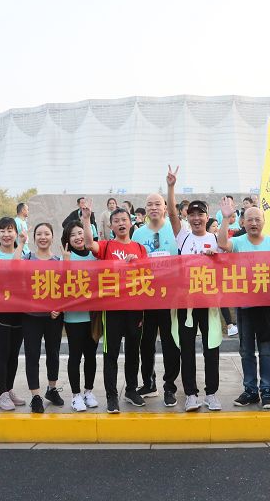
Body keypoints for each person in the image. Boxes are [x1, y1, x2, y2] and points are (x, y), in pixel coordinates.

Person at [80, 200, 148, 413]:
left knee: (133, 352)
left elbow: (148, 275)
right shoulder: (106, 246)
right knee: (111, 354)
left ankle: (131, 390)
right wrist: (86, 219)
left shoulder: (140, 248)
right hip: (112, 309)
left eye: (124, 220)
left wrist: (136, 264)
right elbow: (89, 244)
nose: (121, 223)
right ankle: (111, 396)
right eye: (116, 221)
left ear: (131, 223)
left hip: (135, 308)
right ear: (111, 226)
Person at [217, 198, 270, 409]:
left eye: (257, 219)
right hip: (244, 306)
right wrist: (226, 218)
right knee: (246, 350)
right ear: (243, 222)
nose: (254, 223)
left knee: (266, 350)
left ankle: (267, 391)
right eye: (249, 220)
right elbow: (222, 243)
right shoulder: (238, 242)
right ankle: (250, 391)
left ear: (264, 221)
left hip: (266, 307)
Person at [168, 171, 223, 412]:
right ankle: (191, 394)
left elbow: (228, 264)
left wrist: (216, 257)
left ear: (207, 217)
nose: (196, 218)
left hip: (209, 303)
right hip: (186, 303)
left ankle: (211, 393)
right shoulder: (183, 237)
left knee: (211, 348)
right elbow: (171, 214)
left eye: (200, 214)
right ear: (187, 217)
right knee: (187, 350)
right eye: (192, 214)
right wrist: (171, 187)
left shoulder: (216, 239)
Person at [131, 177, 181, 406]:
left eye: (157, 204)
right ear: (145, 208)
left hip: (170, 297)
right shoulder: (138, 234)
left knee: (170, 343)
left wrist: (170, 187)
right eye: (149, 204)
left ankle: (170, 386)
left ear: (164, 207)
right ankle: (148, 383)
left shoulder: (175, 229)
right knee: (146, 343)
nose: (153, 207)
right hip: (146, 297)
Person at [22, 223, 65, 413]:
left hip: (53, 316)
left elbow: (65, 287)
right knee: (32, 355)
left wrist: (59, 307)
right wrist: (20, 243)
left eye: (47, 233)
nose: (43, 237)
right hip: (30, 316)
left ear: (52, 237)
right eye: (39, 234)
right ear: (34, 238)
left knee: (53, 353)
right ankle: (36, 396)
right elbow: (13, 273)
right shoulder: (27, 258)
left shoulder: (58, 261)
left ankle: (51, 389)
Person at [61, 221, 101, 411]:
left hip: (92, 317)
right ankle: (76, 395)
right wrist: (66, 263)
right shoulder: (66, 257)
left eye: (80, 233)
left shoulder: (95, 256)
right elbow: (60, 286)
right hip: (73, 318)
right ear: (67, 239)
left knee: (91, 356)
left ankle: (88, 391)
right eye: (73, 235)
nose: (78, 237)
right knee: (75, 356)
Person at [0, 216, 27, 411]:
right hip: (0, 312)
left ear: (16, 233)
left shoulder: (25, 252)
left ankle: (9, 389)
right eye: (2, 231)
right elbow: (11, 270)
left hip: (20, 310)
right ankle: (2, 394)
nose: (6, 234)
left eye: (10, 230)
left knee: (14, 354)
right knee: (3, 353)